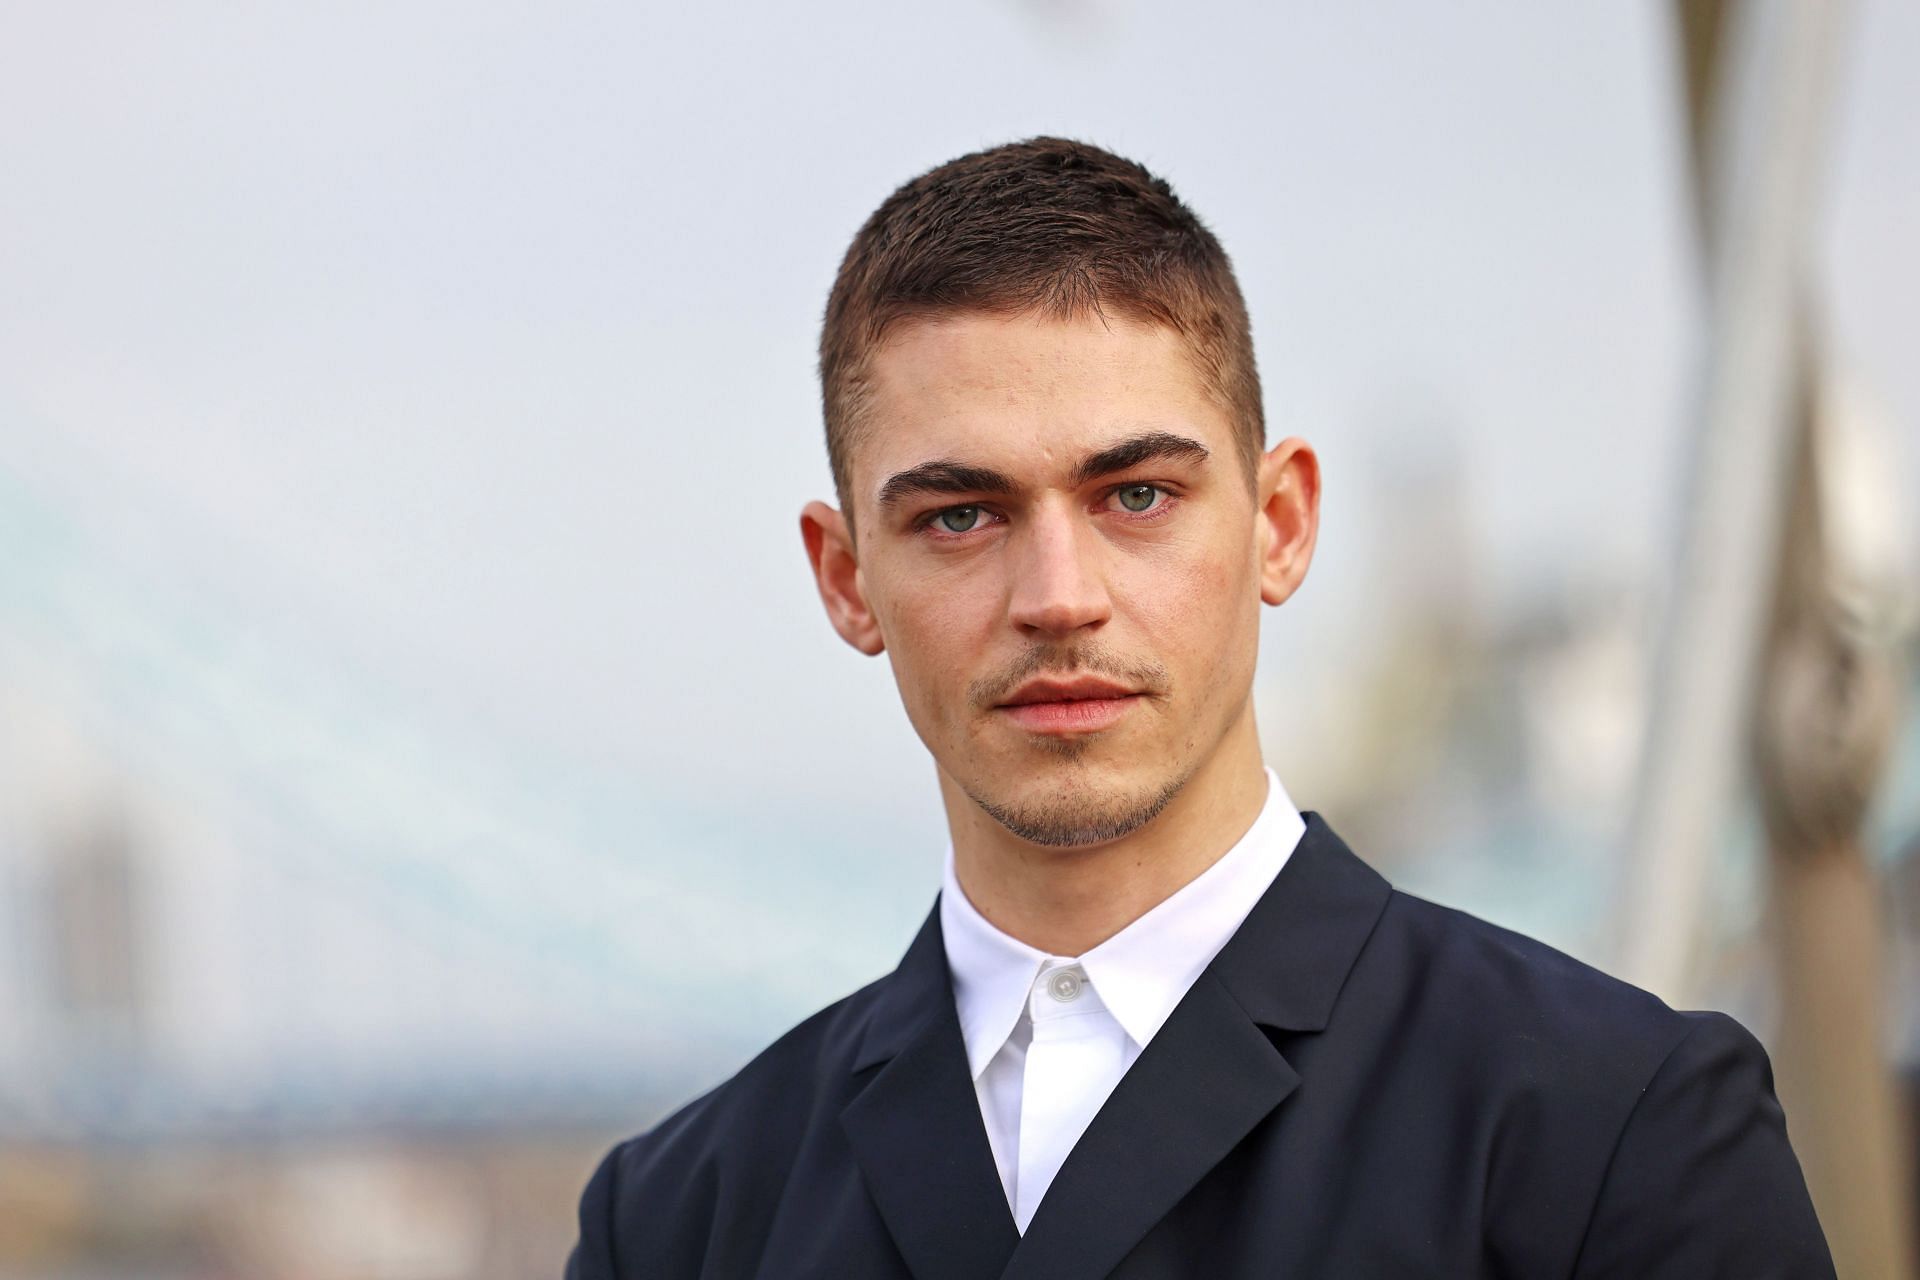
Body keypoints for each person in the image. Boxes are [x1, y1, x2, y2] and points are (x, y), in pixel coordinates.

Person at [565, 137, 1834, 1278]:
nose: (1059, 598)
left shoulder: (1616, 1130)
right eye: (962, 515)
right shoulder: (679, 1221)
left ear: (1279, 525)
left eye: (1136, 496)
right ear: (847, 579)